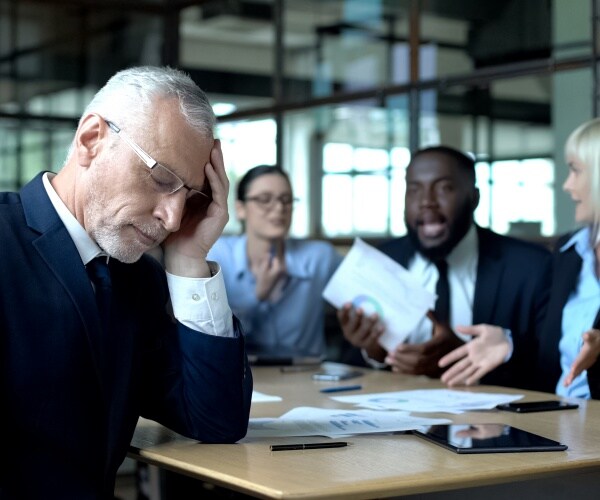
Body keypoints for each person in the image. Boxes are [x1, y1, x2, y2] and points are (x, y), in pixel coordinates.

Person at [0, 66, 253, 499]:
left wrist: (190, 259)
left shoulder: (140, 279)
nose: (172, 218)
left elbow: (215, 418)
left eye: (189, 196)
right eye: (161, 180)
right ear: (91, 140)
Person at [338, 145, 552, 389]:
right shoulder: (379, 262)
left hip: (491, 422)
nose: (427, 201)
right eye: (414, 189)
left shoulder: (530, 267)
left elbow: (550, 367)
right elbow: (346, 367)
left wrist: (463, 360)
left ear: (474, 198)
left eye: (444, 188)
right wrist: (374, 352)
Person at [445, 120, 600, 396]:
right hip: (563, 422)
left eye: (576, 170)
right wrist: (510, 345)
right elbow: (553, 358)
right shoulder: (569, 252)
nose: (567, 185)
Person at [207, 165, 342, 358]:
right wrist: (257, 296)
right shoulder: (217, 256)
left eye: (286, 200)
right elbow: (213, 335)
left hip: (307, 378)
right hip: (242, 379)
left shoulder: (319, 258)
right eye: (264, 199)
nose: (279, 208)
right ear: (241, 209)